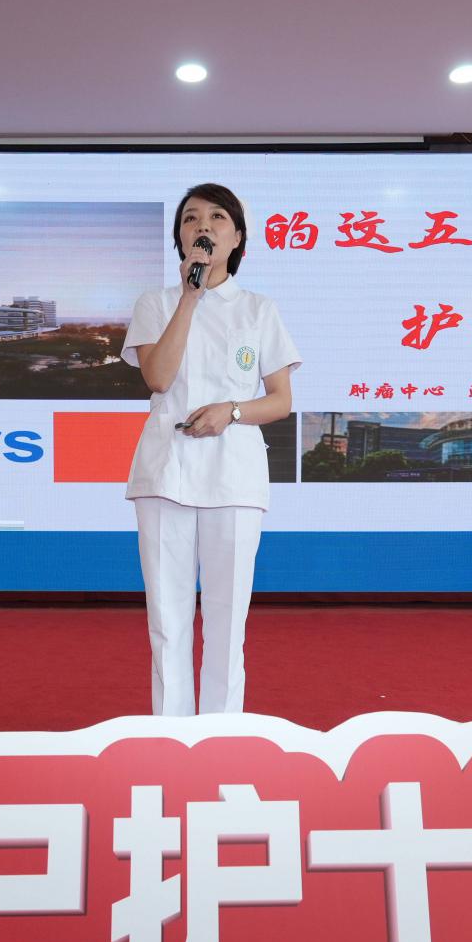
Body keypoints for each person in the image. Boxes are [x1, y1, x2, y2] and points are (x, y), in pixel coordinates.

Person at [120, 184, 300, 717]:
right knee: (168, 617)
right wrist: (189, 297)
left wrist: (233, 410)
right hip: (166, 473)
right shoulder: (156, 303)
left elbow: (281, 400)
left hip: (235, 477)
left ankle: (223, 736)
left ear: (237, 237)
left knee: (227, 619)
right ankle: (170, 734)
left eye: (218, 217)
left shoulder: (258, 309)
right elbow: (158, 377)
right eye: (191, 219)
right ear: (180, 238)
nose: (203, 226)